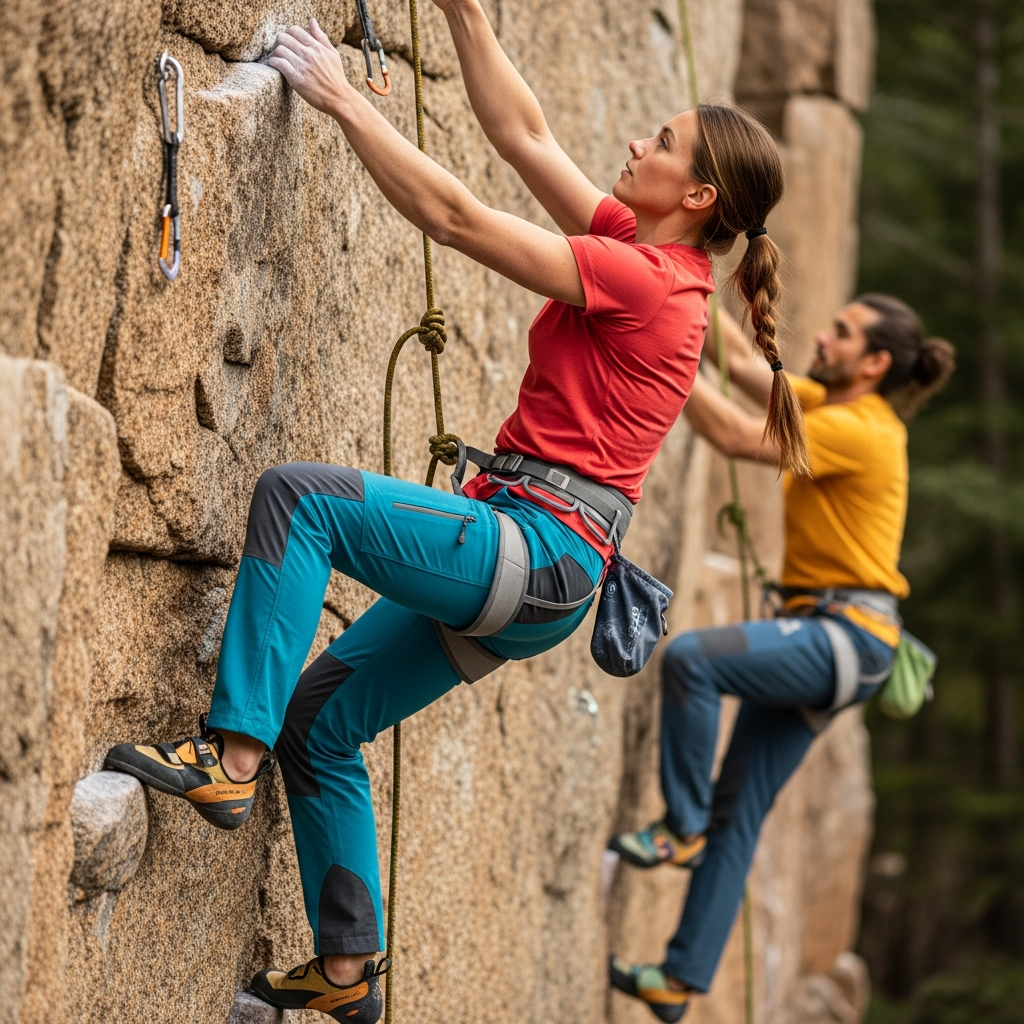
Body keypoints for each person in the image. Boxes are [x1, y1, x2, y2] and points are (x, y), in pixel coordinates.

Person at [103, 3, 803, 1020]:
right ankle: (346, 976)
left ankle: (229, 757)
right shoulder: (634, 244)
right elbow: (524, 137)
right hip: (547, 570)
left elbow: (460, 221)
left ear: (696, 194)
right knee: (325, 724)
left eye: (657, 142)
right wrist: (464, 15)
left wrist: (342, 98)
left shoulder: (652, 281)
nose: (631, 142)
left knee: (300, 501)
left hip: (536, 545)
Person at [608, 296, 955, 1022]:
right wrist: (689, 301)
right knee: (741, 815)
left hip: (846, 637)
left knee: (695, 661)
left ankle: (680, 827)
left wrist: (663, 356)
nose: (821, 335)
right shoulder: (830, 402)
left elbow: (737, 435)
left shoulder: (860, 431)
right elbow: (738, 363)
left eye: (841, 332)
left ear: (875, 363)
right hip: (837, 639)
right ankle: (678, 981)